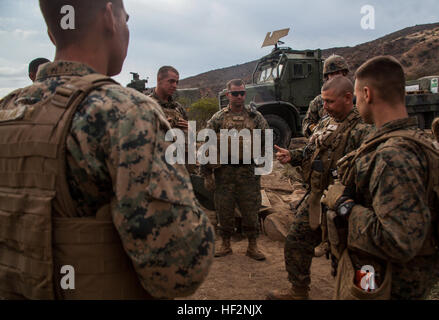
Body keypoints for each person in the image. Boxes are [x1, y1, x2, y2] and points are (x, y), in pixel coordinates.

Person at [0, 0, 214, 300]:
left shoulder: (7, 111)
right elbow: (179, 269)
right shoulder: (126, 112)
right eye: (125, 19)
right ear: (108, 19)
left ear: (51, 34)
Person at [322, 56, 439, 300]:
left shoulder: (393, 155)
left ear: (367, 93)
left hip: (388, 283)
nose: (356, 101)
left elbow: (398, 240)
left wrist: (344, 206)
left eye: (355, 95)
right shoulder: (417, 139)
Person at [267, 76, 373, 300]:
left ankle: (366, 295)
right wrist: (293, 156)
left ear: (348, 98)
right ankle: (298, 290)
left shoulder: (363, 130)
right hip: (318, 197)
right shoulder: (326, 122)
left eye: (330, 102)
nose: (324, 106)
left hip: (348, 204)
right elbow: (311, 151)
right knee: (296, 240)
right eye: (323, 101)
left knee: (359, 256)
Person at [202, 79, 269, 261]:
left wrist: (260, 161)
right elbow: (207, 145)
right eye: (235, 93)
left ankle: (252, 245)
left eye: (242, 93)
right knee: (224, 209)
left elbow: (266, 140)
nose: (239, 97)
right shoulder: (218, 118)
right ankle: (225, 244)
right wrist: (207, 173)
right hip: (224, 172)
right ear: (227, 95)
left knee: (251, 209)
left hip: (248, 172)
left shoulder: (256, 117)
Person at [302, 54, 350, 138]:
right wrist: (318, 130)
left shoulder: (355, 98)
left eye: (338, 73)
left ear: (344, 74)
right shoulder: (318, 101)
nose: (336, 77)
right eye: (332, 74)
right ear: (327, 77)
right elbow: (306, 124)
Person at [149, 66, 188, 130]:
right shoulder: (146, 105)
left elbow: (191, 138)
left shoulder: (178, 108)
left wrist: (190, 130)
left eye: (176, 82)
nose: (175, 86)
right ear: (159, 80)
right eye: (171, 81)